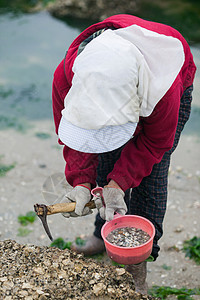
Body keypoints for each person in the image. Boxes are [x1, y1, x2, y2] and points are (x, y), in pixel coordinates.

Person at [52, 14, 196, 294]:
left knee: (149, 178)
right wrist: (81, 182)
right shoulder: (67, 74)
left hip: (166, 83)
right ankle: (100, 236)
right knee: (106, 164)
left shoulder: (166, 88)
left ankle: (137, 268)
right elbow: (75, 132)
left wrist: (118, 185)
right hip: (127, 82)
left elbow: (155, 144)